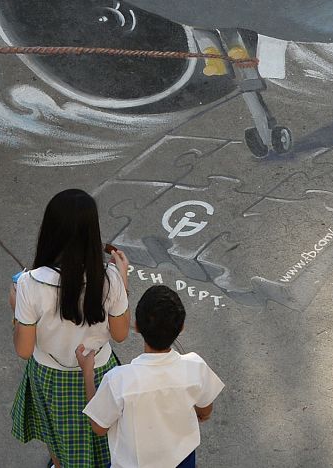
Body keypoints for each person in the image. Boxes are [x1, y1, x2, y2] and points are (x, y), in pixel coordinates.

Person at [12, 189, 134, 468]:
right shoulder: (110, 279)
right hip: (100, 371)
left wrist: (15, 309)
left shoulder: (30, 283)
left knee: (56, 434)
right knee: (104, 436)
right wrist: (123, 284)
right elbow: (120, 334)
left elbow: (23, 349)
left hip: (50, 377)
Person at [82, 285, 224, 468]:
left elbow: (99, 427)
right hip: (182, 462)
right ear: (181, 327)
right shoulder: (195, 367)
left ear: (137, 327)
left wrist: (87, 374)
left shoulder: (119, 380)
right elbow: (205, 411)